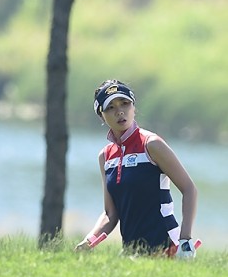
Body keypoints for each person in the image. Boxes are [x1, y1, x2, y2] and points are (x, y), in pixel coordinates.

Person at [75, 80, 198, 258]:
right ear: (101, 116)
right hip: (131, 251)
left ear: (133, 107)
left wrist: (185, 240)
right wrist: (89, 241)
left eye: (125, 103)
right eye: (110, 107)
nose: (120, 111)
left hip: (167, 247)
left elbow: (189, 189)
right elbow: (111, 213)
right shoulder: (106, 156)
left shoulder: (151, 144)